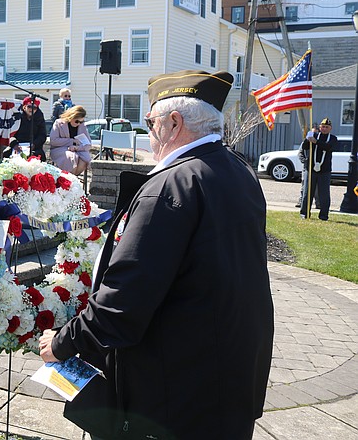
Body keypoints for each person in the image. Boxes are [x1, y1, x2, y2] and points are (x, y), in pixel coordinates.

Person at [39, 70, 273, 440]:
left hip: (176, 391)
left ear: (174, 123)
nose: (147, 133)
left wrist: (62, 343)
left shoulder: (170, 186)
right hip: (228, 376)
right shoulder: (238, 170)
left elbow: (124, 301)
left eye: (150, 123)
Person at [300, 117, 338, 220]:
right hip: (311, 169)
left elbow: (328, 147)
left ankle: (324, 215)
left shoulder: (333, 138)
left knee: (324, 194)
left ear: (330, 128)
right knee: (307, 192)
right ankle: (305, 213)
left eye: (327, 127)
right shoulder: (314, 135)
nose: (324, 129)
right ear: (320, 127)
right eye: (323, 127)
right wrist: (308, 138)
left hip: (324, 170)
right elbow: (305, 147)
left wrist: (316, 142)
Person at [49, 105, 92, 175]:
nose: (78, 124)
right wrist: (71, 141)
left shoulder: (82, 126)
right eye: (77, 121)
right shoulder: (59, 123)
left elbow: (88, 144)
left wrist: (77, 148)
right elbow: (53, 140)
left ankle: (72, 178)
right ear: (71, 117)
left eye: (81, 122)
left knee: (85, 159)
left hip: (77, 149)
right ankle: (69, 179)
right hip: (60, 149)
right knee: (70, 158)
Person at [296, 125, 319, 209]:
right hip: (306, 167)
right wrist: (305, 161)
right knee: (304, 186)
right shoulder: (305, 142)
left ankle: (318, 203)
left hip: (316, 167)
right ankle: (301, 202)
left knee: (316, 187)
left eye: (316, 132)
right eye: (312, 132)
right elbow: (300, 153)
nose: (314, 134)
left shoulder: (319, 142)